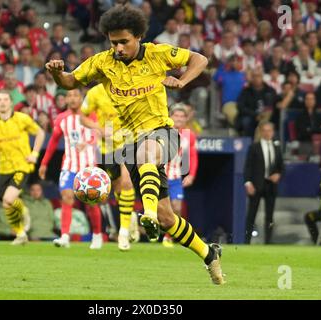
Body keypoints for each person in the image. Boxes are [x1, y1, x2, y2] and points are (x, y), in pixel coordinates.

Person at [45, 5, 224, 284]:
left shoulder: (158, 53)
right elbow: (70, 82)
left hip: (162, 132)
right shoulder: (102, 62)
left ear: (138, 36)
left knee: (147, 152)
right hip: (130, 143)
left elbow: (199, 59)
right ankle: (208, 253)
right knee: (168, 219)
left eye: (123, 41)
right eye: (113, 42)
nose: (117, 47)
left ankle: (147, 213)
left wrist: (181, 80)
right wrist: (57, 73)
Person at [38, 88, 103, 250]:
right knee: (66, 197)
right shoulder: (61, 119)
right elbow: (53, 142)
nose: (73, 99)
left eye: (76, 95)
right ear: (65, 99)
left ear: (81, 98)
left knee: (91, 203)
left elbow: (98, 133)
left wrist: (88, 142)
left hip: (88, 167)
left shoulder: (91, 114)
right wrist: (44, 163)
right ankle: (65, 236)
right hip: (69, 165)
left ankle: (97, 235)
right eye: (69, 96)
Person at [0, 90, 46, 245]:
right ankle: (21, 234)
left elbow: (40, 133)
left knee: (8, 199)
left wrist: (35, 154)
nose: (2, 102)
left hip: (22, 166)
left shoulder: (22, 119)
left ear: (11, 102)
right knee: (6, 204)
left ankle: (23, 210)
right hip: (3, 168)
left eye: (5, 99)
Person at [80, 83, 137, 251]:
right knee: (117, 188)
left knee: (127, 183)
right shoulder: (95, 92)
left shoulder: (130, 86)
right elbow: (82, 117)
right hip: (107, 147)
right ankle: (129, 216)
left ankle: (123, 233)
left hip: (128, 142)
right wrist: (98, 128)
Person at [163, 104, 198, 248]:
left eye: (182, 116)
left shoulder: (188, 135)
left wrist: (191, 175)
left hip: (176, 177)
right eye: (176, 115)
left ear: (186, 120)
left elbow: (193, 156)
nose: (178, 119)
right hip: (160, 176)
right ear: (170, 117)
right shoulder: (161, 132)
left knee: (176, 208)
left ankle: (168, 237)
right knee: (159, 209)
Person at [244, 121, 284, 244]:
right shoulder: (254, 147)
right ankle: (247, 241)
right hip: (256, 184)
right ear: (261, 132)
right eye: (265, 130)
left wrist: (278, 174)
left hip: (271, 185)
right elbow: (248, 166)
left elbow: (281, 166)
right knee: (251, 215)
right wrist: (248, 182)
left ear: (273, 132)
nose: (267, 133)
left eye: (269, 130)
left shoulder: (277, 147)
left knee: (270, 216)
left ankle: (268, 241)